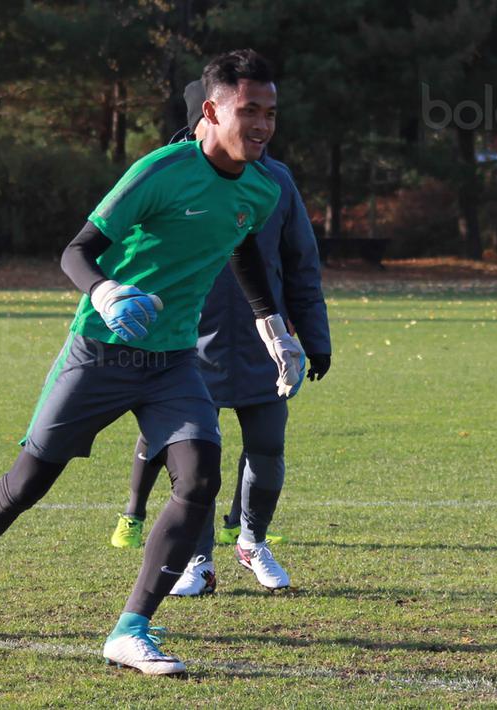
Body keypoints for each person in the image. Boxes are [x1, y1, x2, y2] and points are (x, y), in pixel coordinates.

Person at [0, 49, 298, 677]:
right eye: (249, 111)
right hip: (99, 352)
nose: (262, 124)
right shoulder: (159, 172)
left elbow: (239, 248)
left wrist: (272, 323)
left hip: (174, 362)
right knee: (25, 485)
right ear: (211, 110)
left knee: (200, 478)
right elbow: (77, 251)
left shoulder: (264, 187)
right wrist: (105, 292)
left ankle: (131, 630)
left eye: (270, 112)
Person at [109, 80, 331, 596]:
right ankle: (198, 560)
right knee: (196, 457)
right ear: (206, 117)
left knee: (268, 449)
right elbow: (135, 255)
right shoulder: (167, 175)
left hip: (266, 344)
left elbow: (301, 263)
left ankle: (252, 542)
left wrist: (315, 337)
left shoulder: (275, 180)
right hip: (186, 344)